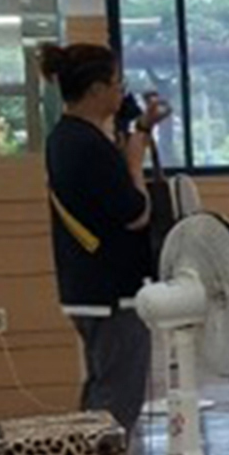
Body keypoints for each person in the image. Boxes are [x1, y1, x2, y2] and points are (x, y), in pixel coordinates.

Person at [42, 43, 168, 434]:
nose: (121, 92)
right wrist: (134, 158)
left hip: (90, 287)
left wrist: (141, 129)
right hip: (110, 292)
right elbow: (135, 212)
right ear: (96, 90)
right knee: (115, 405)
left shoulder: (68, 138)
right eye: (117, 84)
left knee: (102, 392)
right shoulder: (87, 146)